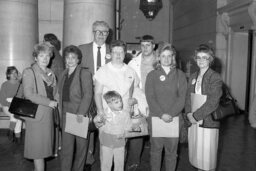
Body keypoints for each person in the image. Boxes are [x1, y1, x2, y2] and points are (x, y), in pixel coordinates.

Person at [145, 43, 187, 171]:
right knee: (155, 151)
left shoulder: (180, 75)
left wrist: (171, 113)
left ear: (173, 57)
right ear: (158, 58)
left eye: (169, 56)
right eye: (163, 56)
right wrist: (161, 114)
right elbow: (150, 97)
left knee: (171, 152)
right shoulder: (152, 75)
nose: (166, 59)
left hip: (174, 119)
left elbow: (182, 98)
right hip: (156, 118)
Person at [184, 44, 222, 171]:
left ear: (210, 59)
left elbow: (213, 101)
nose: (201, 60)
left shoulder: (214, 77)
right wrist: (189, 114)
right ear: (195, 59)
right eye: (198, 57)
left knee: (207, 157)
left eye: (205, 57)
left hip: (208, 121)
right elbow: (188, 97)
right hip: (194, 122)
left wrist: (196, 116)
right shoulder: (193, 76)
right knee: (197, 154)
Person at [79, 21, 111, 167]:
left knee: (107, 127)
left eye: (104, 32)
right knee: (87, 128)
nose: (101, 35)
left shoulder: (113, 50)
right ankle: (88, 159)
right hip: (87, 94)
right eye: (98, 31)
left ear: (108, 34)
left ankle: (106, 161)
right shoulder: (82, 49)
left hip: (107, 95)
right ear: (93, 32)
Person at [22, 42, 58, 171]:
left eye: (48, 55)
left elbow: (56, 93)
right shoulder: (29, 72)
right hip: (36, 116)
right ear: (35, 57)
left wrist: (56, 102)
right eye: (41, 55)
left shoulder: (50, 73)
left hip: (48, 116)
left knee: (43, 151)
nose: (45, 58)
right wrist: (48, 102)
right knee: (37, 152)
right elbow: (28, 94)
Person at [58, 45, 93, 171]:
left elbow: (88, 94)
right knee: (66, 149)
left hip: (79, 113)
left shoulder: (84, 73)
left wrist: (81, 112)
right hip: (66, 114)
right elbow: (59, 94)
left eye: (74, 57)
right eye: (68, 57)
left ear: (78, 59)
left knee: (81, 148)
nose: (70, 60)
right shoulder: (62, 74)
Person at [127, 35, 156, 170]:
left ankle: (155, 161)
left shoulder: (161, 60)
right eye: (143, 45)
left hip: (156, 100)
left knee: (156, 132)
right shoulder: (133, 62)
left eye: (148, 45)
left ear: (154, 46)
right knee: (137, 131)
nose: (145, 48)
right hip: (139, 99)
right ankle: (134, 161)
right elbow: (130, 82)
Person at [94, 91, 139, 171]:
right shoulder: (104, 113)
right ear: (109, 104)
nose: (120, 104)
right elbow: (98, 124)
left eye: (120, 101)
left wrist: (134, 128)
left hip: (119, 142)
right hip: (107, 142)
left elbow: (128, 126)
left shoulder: (125, 114)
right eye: (116, 102)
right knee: (106, 163)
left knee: (119, 163)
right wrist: (97, 120)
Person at [0, 66, 23, 143]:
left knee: (18, 118)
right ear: (8, 75)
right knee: (15, 115)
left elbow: (20, 98)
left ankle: (13, 133)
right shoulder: (4, 85)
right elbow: (2, 100)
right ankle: (16, 136)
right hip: (6, 106)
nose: (15, 74)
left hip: (16, 105)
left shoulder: (20, 85)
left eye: (15, 72)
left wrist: (15, 105)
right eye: (12, 73)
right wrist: (10, 105)